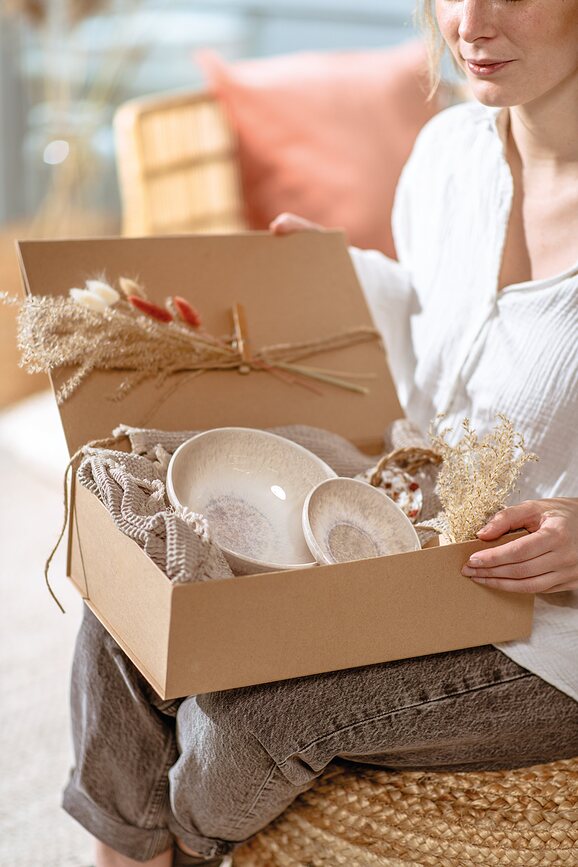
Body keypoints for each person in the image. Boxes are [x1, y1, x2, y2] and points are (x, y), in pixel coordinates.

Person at [63, 2, 578, 865]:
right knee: (141, 550)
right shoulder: (450, 151)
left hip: (546, 629)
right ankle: (126, 850)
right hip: (412, 539)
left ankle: (179, 844)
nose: (472, 22)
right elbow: (440, 321)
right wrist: (334, 278)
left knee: (255, 715)